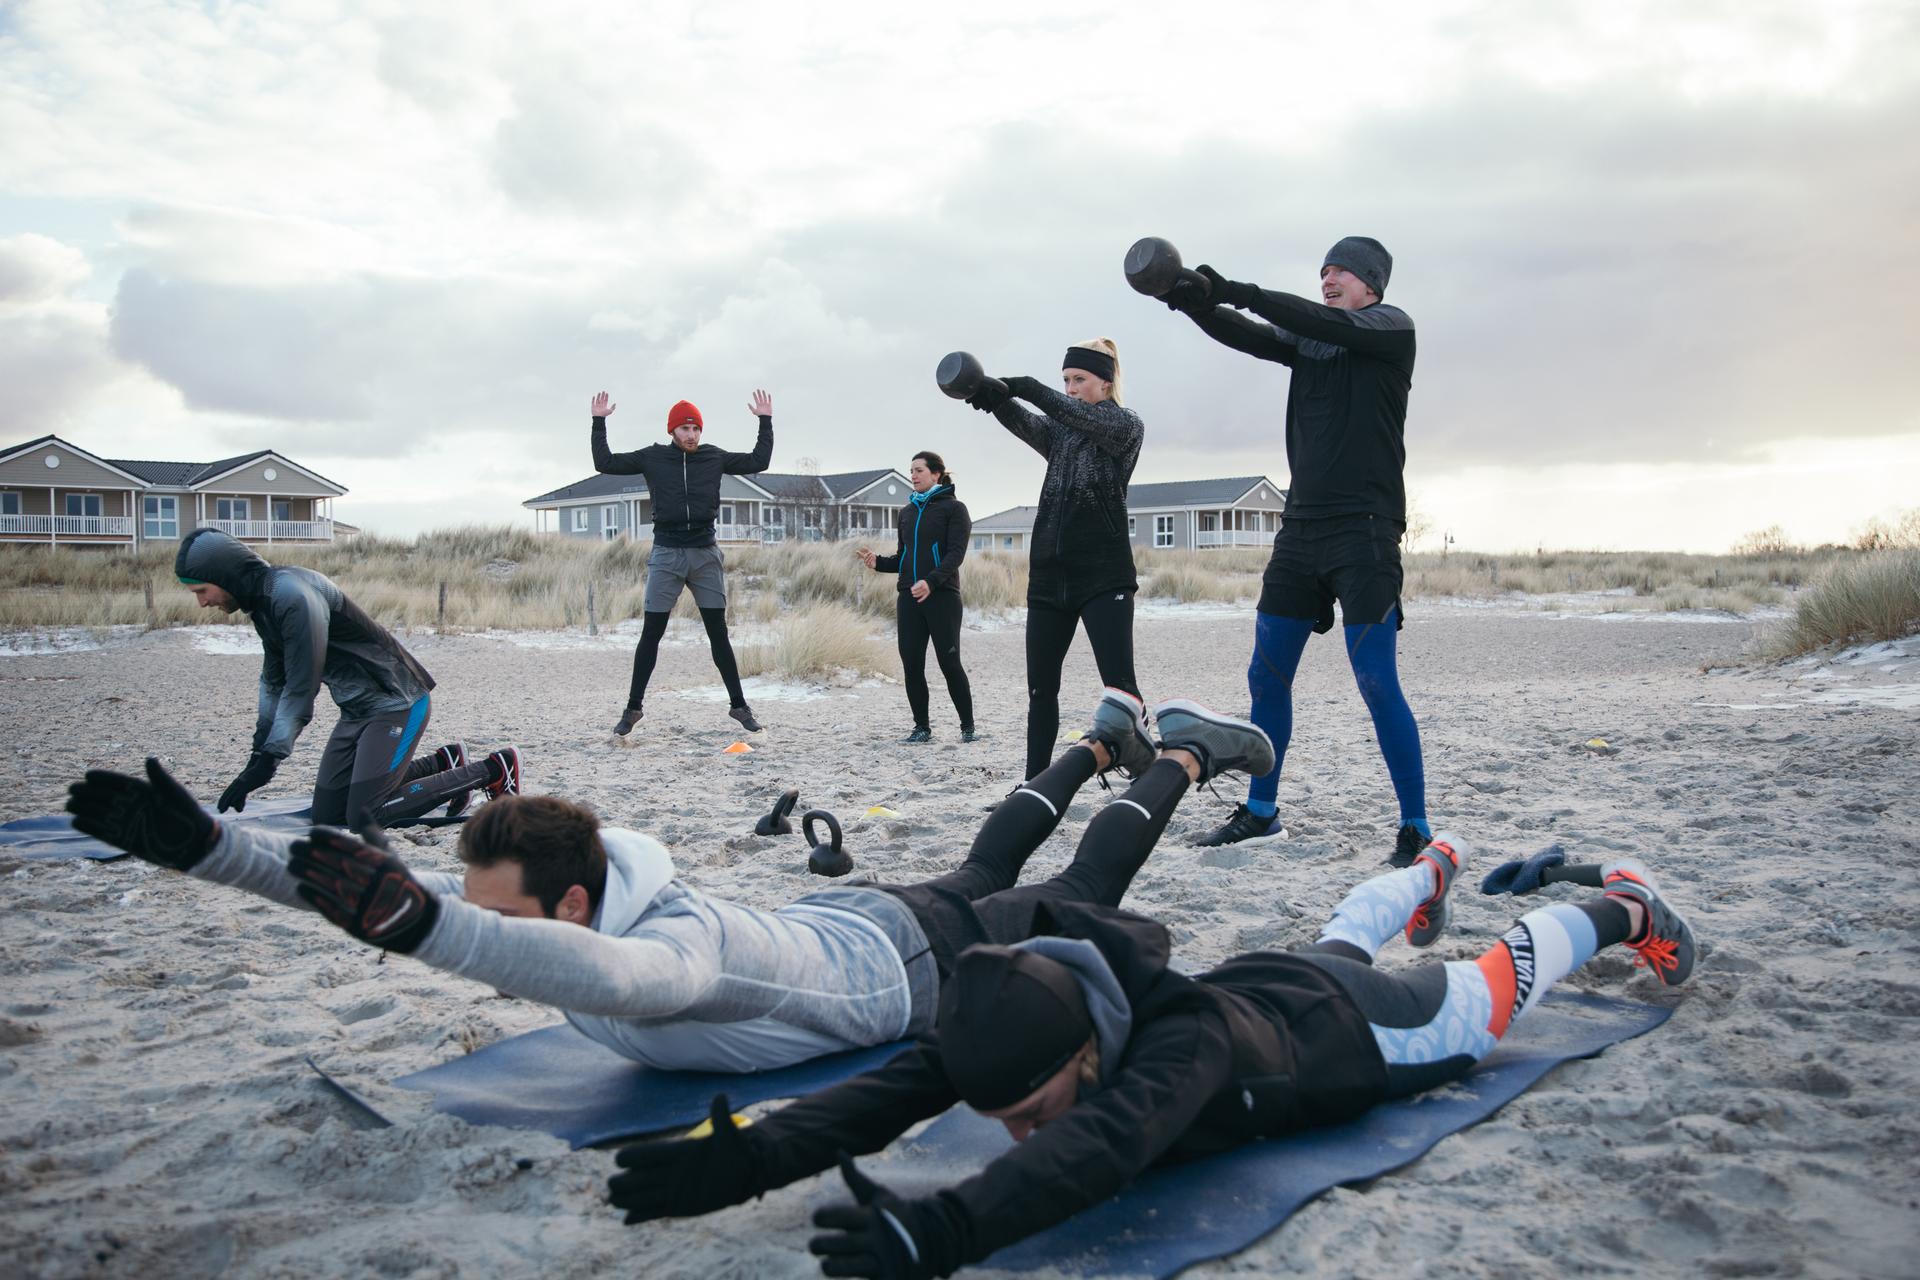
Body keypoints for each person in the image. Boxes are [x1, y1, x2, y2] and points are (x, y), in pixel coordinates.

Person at [603, 838, 1697, 1280]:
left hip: (1369, 1035)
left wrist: (945, 1225)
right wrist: (744, 1154)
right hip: (1275, 974)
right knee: (1336, 934)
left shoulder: (1180, 1047)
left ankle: (1616, 904)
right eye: (1013, 1116)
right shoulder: (1024, 1011)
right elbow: (889, 1089)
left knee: (1493, 989)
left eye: (1033, 1106)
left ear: (1091, 1046)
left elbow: (1101, 1144)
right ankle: (1431, 863)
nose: (1022, 1127)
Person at [64, 691, 1273, 1074]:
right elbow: (356, 879)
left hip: (906, 967)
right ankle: (1098, 735)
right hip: (844, 919)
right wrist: (215, 852)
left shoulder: (671, 961)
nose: (483, 924)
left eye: (494, 913)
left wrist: (429, 929)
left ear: (576, 907)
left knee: (1076, 885)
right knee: (984, 858)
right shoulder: (549, 887)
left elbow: (540, 956)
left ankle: (1174, 751)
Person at [1154, 238, 1432, 863]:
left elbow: (1306, 318)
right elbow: (1248, 334)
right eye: (1324, 271)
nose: (1328, 279)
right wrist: (1188, 298)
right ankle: (1261, 811)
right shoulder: (1312, 341)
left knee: (1375, 679)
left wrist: (1235, 289)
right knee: (1265, 676)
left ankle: (1415, 826)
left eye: (1341, 271)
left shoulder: (1392, 330)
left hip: (1365, 529)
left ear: (1372, 285)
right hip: (1301, 528)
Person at [174, 528, 520, 830]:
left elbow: (301, 687)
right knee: (328, 815)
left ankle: (493, 768)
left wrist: (270, 761)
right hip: (355, 711)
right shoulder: (263, 605)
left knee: (365, 816)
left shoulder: (293, 595)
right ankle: (444, 764)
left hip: (397, 701)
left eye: (202, 590)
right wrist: (256, 758)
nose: (203, 602)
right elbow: (273, 685)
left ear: (226, 575)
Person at [960, 339, 1144, 779]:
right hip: (1049, 577)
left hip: (1104, 575)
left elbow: (1067, 412)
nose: (1071, 388)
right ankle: (1033, 785)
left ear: (1106, 381)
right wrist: (993, 397)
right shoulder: (1061, 432)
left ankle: (1144, 769)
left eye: (1079, 379)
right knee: (1041, 690)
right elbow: (1029, 422)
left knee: (1120, 687)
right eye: (1066, 380)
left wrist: (1027, 386)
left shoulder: (1125, 426)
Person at [589, 389, 775, 735]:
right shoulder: (652, 458)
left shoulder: (713, 457)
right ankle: (633, 709)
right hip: (667, 554)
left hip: (705, 554)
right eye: (685, 429)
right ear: (672, 431)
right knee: (652, 633)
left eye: (696, 429)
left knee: (718, 633)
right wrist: (599, 421)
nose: (691, 435)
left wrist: (765, 420)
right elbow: (606, 463)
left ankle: (739, 706)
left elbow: (758, 461)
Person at [857, 451, 974, 743]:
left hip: (942, 596)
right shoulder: (907, 512)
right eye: (911, 471)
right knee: (912, 664)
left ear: (936, 474)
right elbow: (903, 557)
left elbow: (955, 556)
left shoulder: (954, 509)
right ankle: (921, 727)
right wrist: (879, 563)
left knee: (949, 663)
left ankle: (967, 727)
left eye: (919, 470)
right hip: (908, 597)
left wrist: (931, 583)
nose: (913, 476)